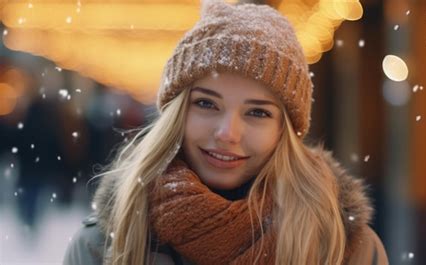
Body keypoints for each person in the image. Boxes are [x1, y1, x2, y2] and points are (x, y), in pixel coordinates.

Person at [63, 0, 389, 264]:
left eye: (258, 112)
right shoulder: (103, 246)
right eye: (207, 104)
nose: (227, 133)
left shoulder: (344, 250)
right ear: (178, 113)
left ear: (283, 131)